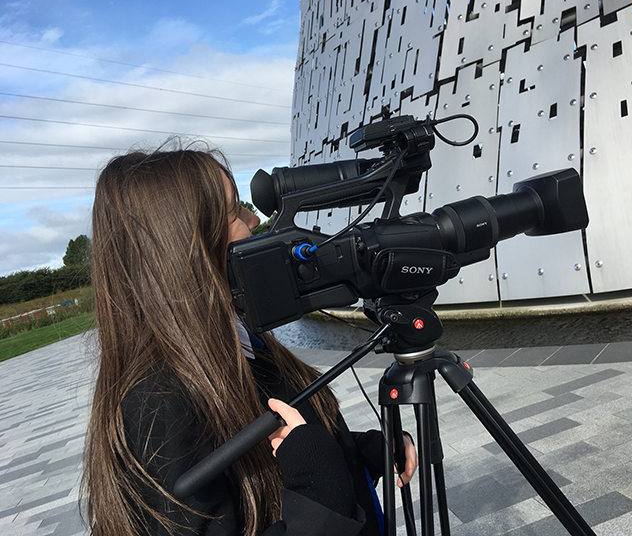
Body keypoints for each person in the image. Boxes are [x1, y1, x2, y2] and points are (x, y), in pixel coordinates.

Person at [81, 144, 417, 536]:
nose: (253, 219)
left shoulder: (238, 340)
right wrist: (320, 489)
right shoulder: (158, 405)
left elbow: (260, 464)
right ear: (185, 247)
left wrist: (353, 452)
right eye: (233, 210)